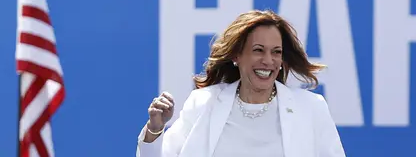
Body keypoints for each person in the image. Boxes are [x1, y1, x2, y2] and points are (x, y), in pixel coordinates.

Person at [135, 10, 346, 157]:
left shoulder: (311, 108)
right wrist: (155, 129)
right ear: (237, 55)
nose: (268, 60)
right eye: (258, 50)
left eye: (276, 52)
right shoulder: (202, 102)